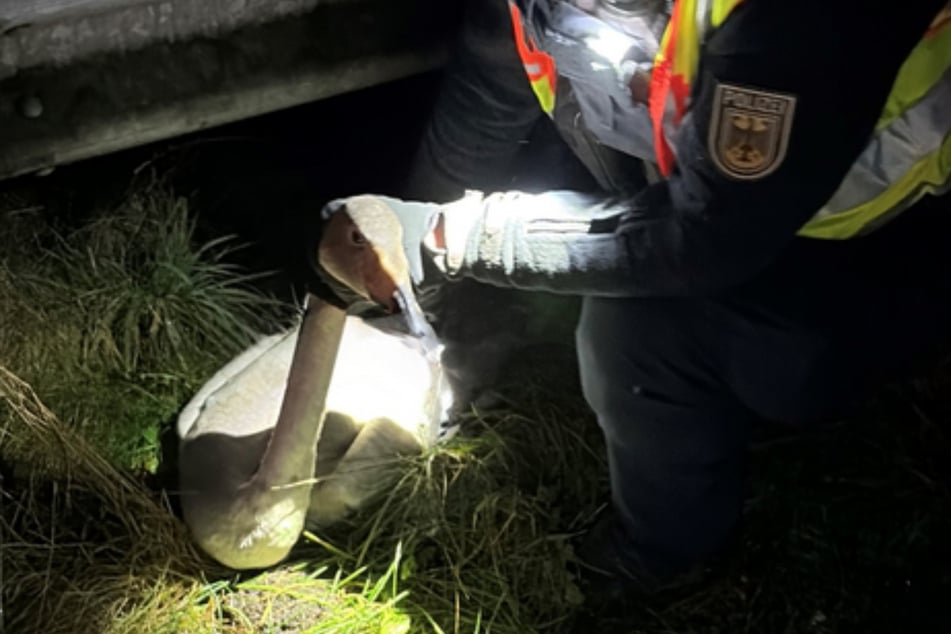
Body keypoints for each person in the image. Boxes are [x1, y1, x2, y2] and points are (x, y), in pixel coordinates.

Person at [313, 0, 951, 596]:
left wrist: (452, 238)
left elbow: (702, 242)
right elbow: (488, 90)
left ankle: (661, 552)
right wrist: (409, 264)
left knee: (635, 327)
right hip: (735, 204)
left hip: (879, 253)